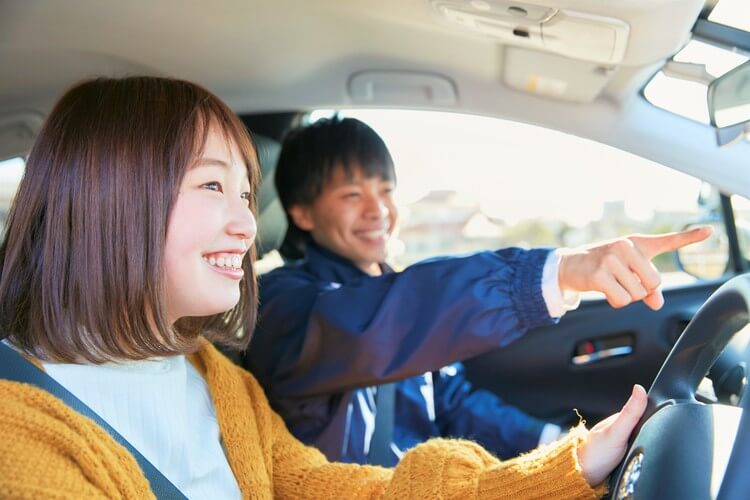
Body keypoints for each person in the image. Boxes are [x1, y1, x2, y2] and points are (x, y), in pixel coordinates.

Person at [0, 75, 648, 499]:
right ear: (114, 199)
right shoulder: (22, 435)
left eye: (246, 195)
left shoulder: (217, 381)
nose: (244, 222)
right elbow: (382, 323)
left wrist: (565, 459)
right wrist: (554, 275)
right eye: (211, 186)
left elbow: (322, 484)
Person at [243, 117, 711, 466]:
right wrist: (557, 273)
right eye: (352, 195)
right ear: (302, 213)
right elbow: (374, 326)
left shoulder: (386, 290)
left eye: (385, 191)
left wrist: (554, 439)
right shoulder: (284, 304)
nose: (378, 211)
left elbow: (452, 402)